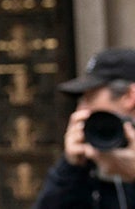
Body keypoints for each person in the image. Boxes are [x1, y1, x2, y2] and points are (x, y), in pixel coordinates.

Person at [33, 48, 135, 208]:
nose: (80, 111)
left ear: (129, 96)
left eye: (89, 98)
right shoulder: (86, 165)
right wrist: (70, 169)